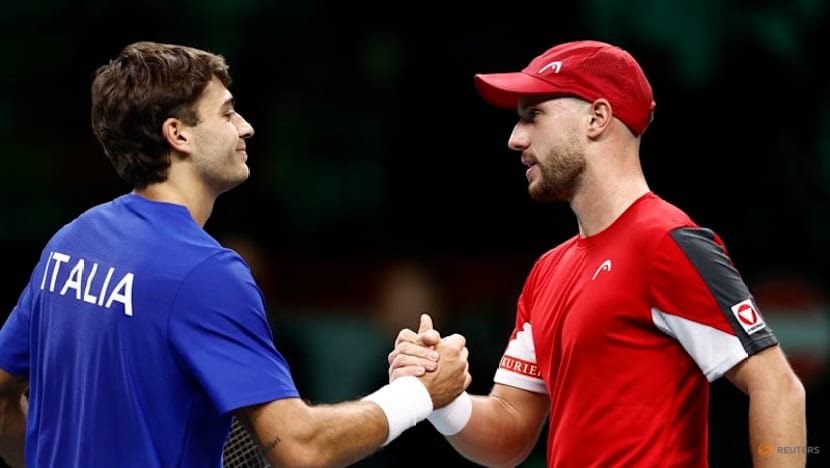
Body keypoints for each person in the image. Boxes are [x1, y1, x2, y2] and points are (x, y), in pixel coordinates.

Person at [0, 41, 471, 468]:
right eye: (226, 114)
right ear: (177, 134)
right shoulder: (207, 272)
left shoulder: (70, 242)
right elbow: (299, 448)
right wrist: (419, 394)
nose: (245, 127)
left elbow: (4, 398)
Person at [388, 40, 807, 467]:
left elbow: (779, 387)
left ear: (597, 117)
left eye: (534, 115)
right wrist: (441, 397)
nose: (516, 138)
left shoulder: (667, 242)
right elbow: (510, 432)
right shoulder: (547, 271)